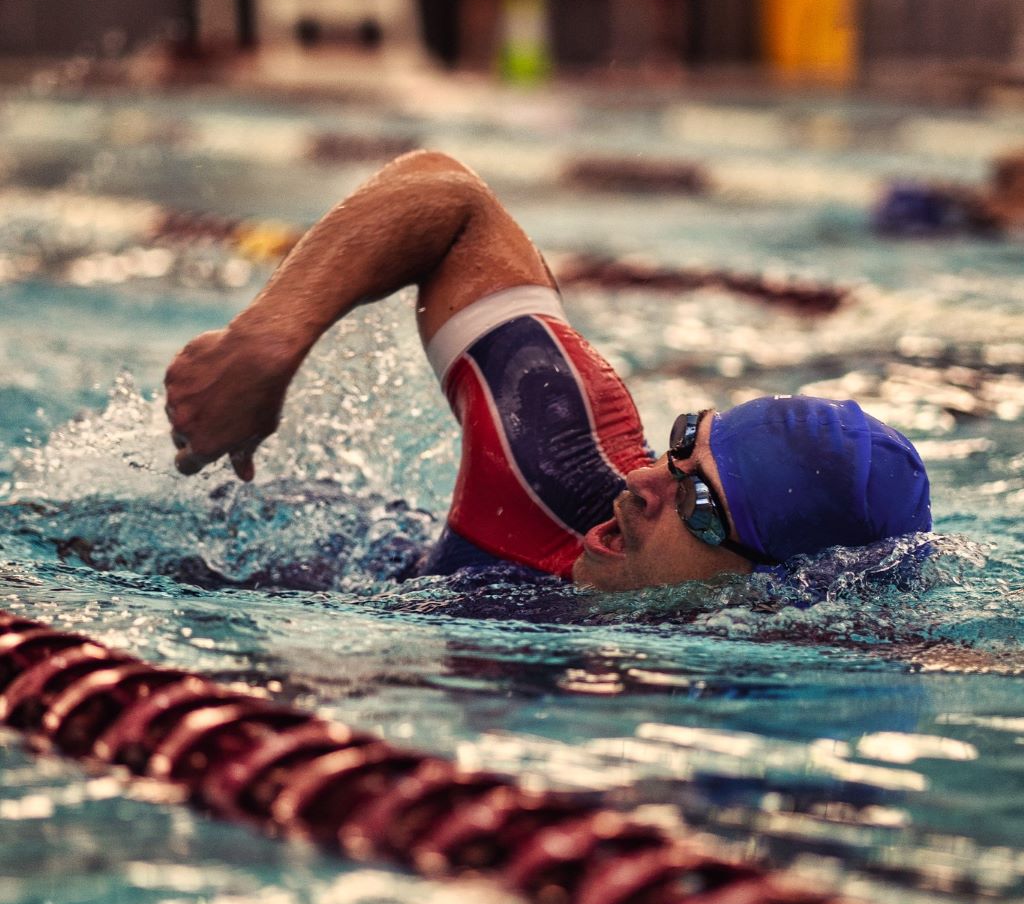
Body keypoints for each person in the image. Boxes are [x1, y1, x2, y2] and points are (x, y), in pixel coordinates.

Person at [165, 151, 932, 593]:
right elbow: (452, 197)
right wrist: (267, 342)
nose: (643, 484)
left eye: (697, 501)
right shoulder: (561, 469)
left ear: (772, 591)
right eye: (682, 443)